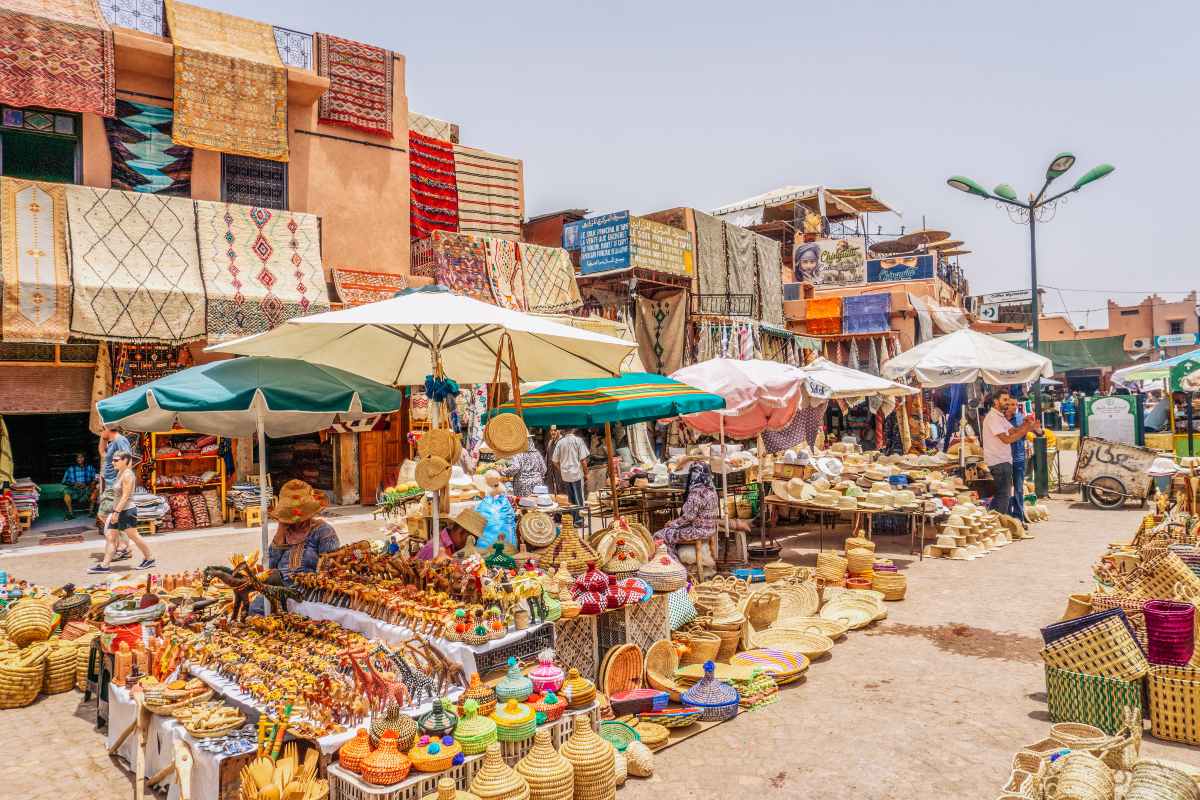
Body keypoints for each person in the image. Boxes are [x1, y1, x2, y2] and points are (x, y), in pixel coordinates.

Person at [89, 450, 154, 573]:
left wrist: (116, 513)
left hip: (126, 511)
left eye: (116, 460)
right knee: (110, 536)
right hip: (118, 510)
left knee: (134, 537)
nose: (113, 462)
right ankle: (104, 566)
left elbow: (125, 496)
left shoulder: (128, 475)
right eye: (113, 459)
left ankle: (149, 558)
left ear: (125, 460)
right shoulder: (120, 472)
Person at [266, 479, 341, 583]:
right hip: (280, 589)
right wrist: (280, 530)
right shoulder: (284, 532)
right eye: (287, 513)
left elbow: (333, 569)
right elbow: (269, 566)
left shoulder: (323, 531)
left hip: (311, 590)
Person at [982, 391, 1041, 520]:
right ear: (996, 401)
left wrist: (1026, 425)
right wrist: (1026, 429)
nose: (1007, 403)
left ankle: (995, 522)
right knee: (1003, 496)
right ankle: (999, 524)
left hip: (1004, 461)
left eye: (1008, 400)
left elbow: (1013, 430)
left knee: (1003, 495)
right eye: (1005, 400)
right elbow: (1006, 439)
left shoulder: (1000, 417)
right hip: (998, 462)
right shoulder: (993, 417)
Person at [658, 462, 719, 558]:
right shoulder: (711, 490)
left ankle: (674, 565)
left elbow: (689, 517)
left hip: (697, 531)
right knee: (671, 530)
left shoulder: (696, 492)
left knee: (660, 535)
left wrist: (672, 524)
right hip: (711, 529)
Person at [417, 508, 485, 560]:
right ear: (461, 531)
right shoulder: (434, 549)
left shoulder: (455, 547)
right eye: (473, 539)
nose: (473, 544)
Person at [552, 428, 590, 513]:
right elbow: (583, 460)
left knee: (571, 498)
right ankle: (579, 519)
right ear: (573, 430)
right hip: (577, 474)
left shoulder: (560, 443)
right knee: (579, 498)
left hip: (565, 475)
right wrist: (586, 473)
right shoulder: (578, 441)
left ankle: (574, 519)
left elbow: (554, 461)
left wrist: (561, 468)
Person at [1008, 403, 1029, 523]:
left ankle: (1019, 517)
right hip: (1003, 458)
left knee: (1019, 489)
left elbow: (1024, 436)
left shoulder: (1021, 418)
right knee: (1005, 489)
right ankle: (1007, 516)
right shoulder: (1000, 419)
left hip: (1018, 457)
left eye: (1016, 404)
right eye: (1011, 404)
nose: (1014, 406)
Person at [62, 452, 96, 520]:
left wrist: (88, 484)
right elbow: (64, 481)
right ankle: (71, 513)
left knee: (95, 491)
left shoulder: (90, 467)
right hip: (74, 489)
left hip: (87, 488)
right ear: (75, 459)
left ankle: (91, 512)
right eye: (78, 457)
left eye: (82, 457)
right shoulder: (70, 469)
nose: (80, 459)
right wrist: (74, 484)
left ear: (85, 458)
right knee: (66, 492)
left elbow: (95, 478)